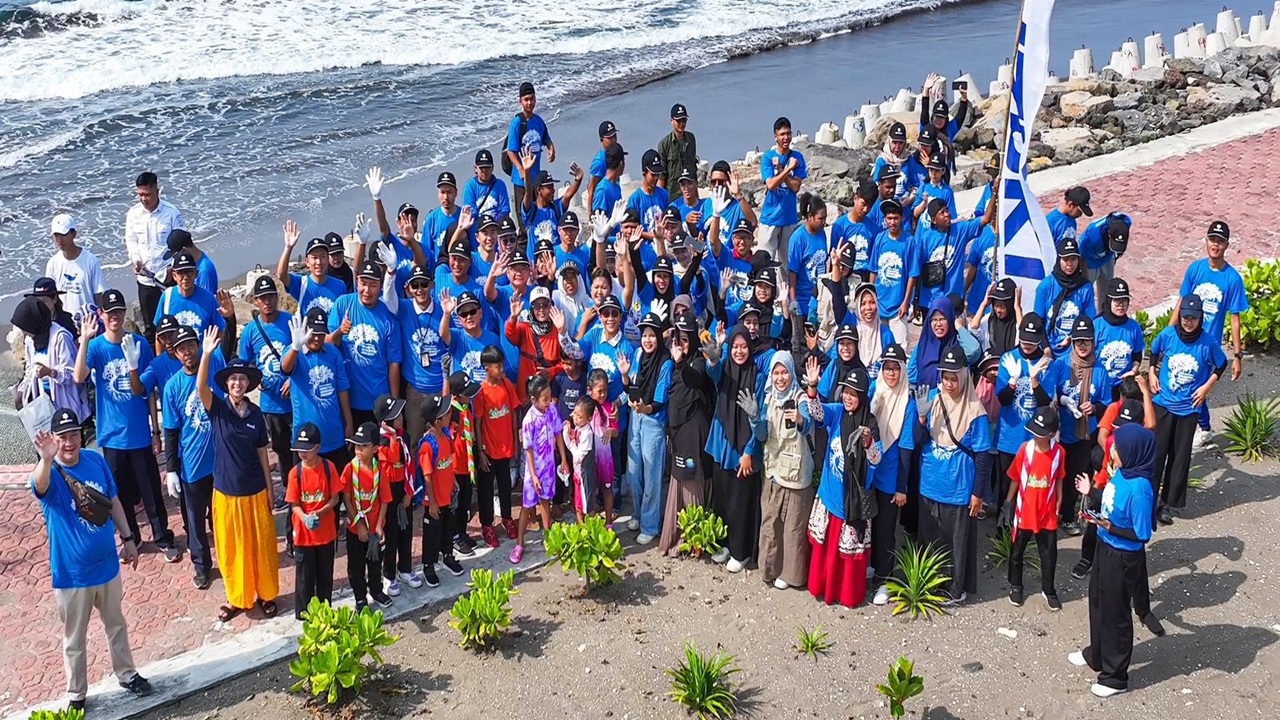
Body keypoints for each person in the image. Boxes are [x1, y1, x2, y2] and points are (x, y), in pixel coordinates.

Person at [30, 411, 152, 713]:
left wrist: (128, 538)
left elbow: (112, 501)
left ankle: (127, 674)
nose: (69, 442)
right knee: (74, 638)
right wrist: (46, 459)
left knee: (116, 625)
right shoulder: (51, 471)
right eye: (62, 437)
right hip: (72, 575)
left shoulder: (96, 461)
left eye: (73, 435)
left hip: (107, 566)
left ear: (81, 436)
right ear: (54, 440)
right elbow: (39, 486)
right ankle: (76, 692)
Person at [74, 289, 179, 562]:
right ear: (101, 315)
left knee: (151, 492)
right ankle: (131, 537)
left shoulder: (139, 344)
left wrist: (155, 430)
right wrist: (84, 339)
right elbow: (78, 376)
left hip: (140, 434)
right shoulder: (97, 347)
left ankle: (163, 537)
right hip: (110, 435)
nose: (115, 317)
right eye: (109, 313)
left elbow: (148, 391)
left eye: (119, 312)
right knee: (119, 493)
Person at [196, 329, 280, 621]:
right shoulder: (217, 409)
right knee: (232, 549)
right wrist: (206, 353)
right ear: (227, 383)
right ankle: (237, 598)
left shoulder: (256, 414)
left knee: (261, 548)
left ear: (249, 384)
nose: (237, 383)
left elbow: (262, 454)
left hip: (255, 491)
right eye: (233, 379)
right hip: (226, 492)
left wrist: (271, 490)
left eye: (242, 379)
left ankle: (266, 595)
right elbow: (201, 389)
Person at [1069, 424, 1156, 698]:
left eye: (1118, 447)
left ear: (1132, 452)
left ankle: (1115, 676)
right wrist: (1089, 493)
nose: (1113, 451)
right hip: (1104, 549)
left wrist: (1108, 527)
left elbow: (1142, 534)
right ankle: (1097, 654)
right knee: (1097, 602)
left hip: (1123, 557)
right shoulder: (1121, 473)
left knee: (1116, 614)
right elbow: (1110, 498)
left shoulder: (1141, 489)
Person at [900, 346, 992, 605]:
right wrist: (920, 417)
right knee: (930, 537)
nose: (950, 384)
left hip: (959, 489)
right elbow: (917, 441)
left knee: (956, 542)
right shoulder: (931, 399)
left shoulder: (975, 410)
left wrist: (978, 493)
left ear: (964, 376)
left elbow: (983, 456)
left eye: (955, 378)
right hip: (930, 485)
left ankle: (954, 590)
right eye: (945, 377)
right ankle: (929, 584)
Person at [1149, 294, 1226, 526]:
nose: (1188, 322)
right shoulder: (1169, 335)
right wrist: (1152, 371)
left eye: (1193, 318)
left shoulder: (1208, 342)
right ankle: (1148, 502)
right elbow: (1154, 350)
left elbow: (1220, 364)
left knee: (1179, 459)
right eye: (1185, 317)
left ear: (1200, 318)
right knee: (1156, 455)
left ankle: (1165, 504)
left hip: (1188, 410)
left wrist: (1206, 387)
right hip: (1163, 405)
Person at [1169, 219, 1248, 447]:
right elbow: (1181, 301)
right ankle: (1194, 423)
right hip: (1184, 335)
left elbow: (1235, 318)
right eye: (1212, 239)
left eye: (1220, 241)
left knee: (1197, 385)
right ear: (1206, 241)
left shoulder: (1232, 279)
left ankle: (1203, 427)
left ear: (1227, 245)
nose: (1215, 245)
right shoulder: (1195, 269)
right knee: (1183, 378)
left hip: (1207, 343)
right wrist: (1168, 331)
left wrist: (1237, 355)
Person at [807, 363, 879, 608]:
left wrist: (869, 443)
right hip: (831, 493)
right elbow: (816, 413)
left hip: (853, 501)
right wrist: (813, 388)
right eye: (846, 391)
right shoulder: (837, 412)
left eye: (854, 394)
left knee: (846, 557)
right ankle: (823, 589)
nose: (848, 397)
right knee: (825, 549)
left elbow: (876, 460)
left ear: (862, 397)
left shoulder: (870, 424)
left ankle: (847, 595)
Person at [658, 312, 714, 556]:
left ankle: (695, 540)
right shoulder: (674, 361)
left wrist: (680, 362)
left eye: (685, 338)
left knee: (693, 478)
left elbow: (695, 381)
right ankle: (675, 535)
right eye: (677, 338)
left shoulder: (698, 361)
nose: (680, 343)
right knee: (679, 477)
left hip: (695, 429)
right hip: (679, 428)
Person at [237, 274, 294, 508]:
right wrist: (255, 379)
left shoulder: (290, 322)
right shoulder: (251, 331)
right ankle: (289, 490)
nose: (267, 301)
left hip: (295, 400)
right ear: (255, 301)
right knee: (280, 449)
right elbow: (243, 363)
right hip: (270, 402)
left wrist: (293, 380)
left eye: (271, 296)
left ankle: (305, 487)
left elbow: (303, 353)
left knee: (300, 446)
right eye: (262, 298)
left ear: (277, 297)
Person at [617, 312, 673, 545]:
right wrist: (624, 377)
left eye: (652, 335)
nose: (648, 339)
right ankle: (638, 514)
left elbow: (660, 400)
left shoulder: (666, 361)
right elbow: (633, 386)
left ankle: (651, 525)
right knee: (633, 470)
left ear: (660, 337)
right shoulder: (640, 355)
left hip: (653, 421)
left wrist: (644, 409)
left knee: (651, 474)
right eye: (645, 335)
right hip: (636, 417)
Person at [1002, 406, 1065, 610]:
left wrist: (1059, 502)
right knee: (1016, 551)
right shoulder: (1025, 450)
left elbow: (1059, 480)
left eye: (1041, 434)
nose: (1037, 437)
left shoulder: (1059, 453)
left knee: (1049, 554)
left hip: (1047, 513)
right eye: (1034, 433)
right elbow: (1014, 477)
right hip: (1024, 511)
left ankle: (1049, 589)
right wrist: (1007, 503)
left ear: (1052, 433)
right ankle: (1016, 585)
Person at [1053, 317, 1110, 536]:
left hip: (1085, 434)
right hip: (1060, 432)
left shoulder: (1100, 371)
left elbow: (1105, 403)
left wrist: (1093, 408)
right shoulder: (1061, 364)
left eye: (1086, 341)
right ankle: (1053, 513)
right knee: (1057, 476)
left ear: (1093, 342)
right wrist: (1064, 400)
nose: (1082, 345)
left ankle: (1068, 516)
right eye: (1078, 341)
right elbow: (1051, 393)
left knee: (1076, 476)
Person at [868, 344, 911, 605]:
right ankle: (869, 566)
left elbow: (905, 449)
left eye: (896, 368)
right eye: (888, 367)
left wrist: (901, 487)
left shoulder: (907, 401)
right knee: (866, 523)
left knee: (885, 529)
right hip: (869, 472)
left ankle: (884, 579)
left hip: (890, 474)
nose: (892, 373)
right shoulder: (875, 391)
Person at [285, 422, 341, 620]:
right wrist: (305, 517)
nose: (303, 454)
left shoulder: (329, 468)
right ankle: (304, 616)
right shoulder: (295, 473)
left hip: (325, 534)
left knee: (325, 577)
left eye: (307, 450)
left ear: (317, 447)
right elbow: (294, 504)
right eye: (300, 450)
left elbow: (335, 498)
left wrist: (321, 512)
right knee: (304, 579)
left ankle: (325, 612)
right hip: (303, 537)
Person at [512, 376, 567, 563]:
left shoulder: (552, 410)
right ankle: (519, 543)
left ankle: (549, 539)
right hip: (533, 471)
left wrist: (564, 460)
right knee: (527, 506)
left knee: (546, 504)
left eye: (550, 397)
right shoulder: (528, 420)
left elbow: (558, 434)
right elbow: (528, 450)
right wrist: (534, 475)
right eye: (545, 399)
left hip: (549, 467)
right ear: (534, 400)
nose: (549, 401)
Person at [372, 394, 423, 595]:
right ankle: (389, 575)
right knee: (391, 535)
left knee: (406, 531)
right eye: (395, 416)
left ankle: (405, 569)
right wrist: (393, 437)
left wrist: (410, 492)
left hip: (404, 488)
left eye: (400, 414)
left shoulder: (405, 436)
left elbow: (409, 465)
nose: (400, 418)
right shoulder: (381, 442)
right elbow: (393, 458)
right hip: (388, 493)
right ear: (385, 423)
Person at [12, 295, 89, 426]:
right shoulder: (31, 340)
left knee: (69, 442)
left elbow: (73, 374)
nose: (25, 334)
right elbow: (30, 369)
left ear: (34, 323)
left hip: (65, 401)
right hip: (43, 401)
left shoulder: (61, 337)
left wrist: (50, 372)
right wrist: (21, 390)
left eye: (26, 329)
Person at [125, 171, 183, 343]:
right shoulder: (133, 214)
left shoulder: (171, 213)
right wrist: (135, 259)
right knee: (151, 327)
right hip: (146, 280)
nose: (144, 199)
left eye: (147, 194)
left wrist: (172, 269)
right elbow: (131, 240)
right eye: (140, 195)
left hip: (168, 278)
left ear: (157, 191)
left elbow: (180, 243)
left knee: (174, 321)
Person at [342, 421, 394, 610]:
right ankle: (360, 596)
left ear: (374, 448)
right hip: (355, 529)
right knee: (356, 566)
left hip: (374, 529)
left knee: (374, 562)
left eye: (364, 446)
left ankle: (376, 590)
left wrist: (379, 525)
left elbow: (385, 500)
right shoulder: (350, 469)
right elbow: (347, 498)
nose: (358, 450)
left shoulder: (379, 470)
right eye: (357, 445)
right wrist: (359, 523)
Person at [915, 193, 995, 312]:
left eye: (947, 210)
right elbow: (918, 270)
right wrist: (916, 299)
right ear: (933, 220)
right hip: (930, 300)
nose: (947, 214)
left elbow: (985, 219)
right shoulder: (926, 239)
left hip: (953, 299)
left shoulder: (960, 230)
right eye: (942, 213)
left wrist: (993, 194)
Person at [416, 395, 464, 588]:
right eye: (445, 413)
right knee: (432, 535)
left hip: (447, 496)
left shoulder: (445, 434)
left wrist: (453, 482)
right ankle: (429, 566)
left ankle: (448, 556)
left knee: (447, 530)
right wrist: (432, 502)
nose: (449, 414)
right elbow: (427, 476)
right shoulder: (428, 445)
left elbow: (448, 462)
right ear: (437, 420)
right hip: (434, 501)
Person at [473, 349, 520, 546]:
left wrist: (516, 442)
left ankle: (507, 519)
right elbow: (478, 422)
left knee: (505, 487)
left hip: (506, 448)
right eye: (497, 366)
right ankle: (487, 525)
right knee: (486, 490)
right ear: (487, 368)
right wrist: (481, 452)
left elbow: (514, 415)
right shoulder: (481, 392)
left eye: (501, 365)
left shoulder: (507, 385)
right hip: (489, 451)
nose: (501, 369)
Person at [866, 199, 917, 344]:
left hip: (898, 305)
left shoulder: (909, 241)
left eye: (895, 218)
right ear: (885, 219)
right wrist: (871, 296)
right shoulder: (879, 239)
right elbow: (873, 270)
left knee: (900, 346)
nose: (892, 222)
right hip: (880, 302)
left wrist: (906, 302)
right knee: (879, 345)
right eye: (889, 218)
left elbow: (912, 275)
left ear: (901, 218)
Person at [1034, 238, 1096, 356]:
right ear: (1058, 260)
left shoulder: (1085, 287)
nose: (1070, 264)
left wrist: (1074, 339)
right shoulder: (1045, 286)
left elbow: (1089, 322)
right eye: (1065, 259)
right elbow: (1038, 322)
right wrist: (1046, 349)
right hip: (1047, 349)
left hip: (1075, 350)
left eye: (1073, 259)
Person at [505, 82, 555, 224]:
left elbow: (546, 138)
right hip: (520, 180)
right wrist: (521, 169)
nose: (529, 103)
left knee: (536, 216)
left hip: (536, 180)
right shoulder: (517, 123)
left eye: (532, 99)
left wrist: (551, 148)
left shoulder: (538, 121)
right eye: (526, 99)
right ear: (520, 101)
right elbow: (510, 151)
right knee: (523, 220)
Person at [758, 117, 806, 260]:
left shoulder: (797, 157)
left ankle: (786, 284)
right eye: (782, 134)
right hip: (770, 218)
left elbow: (795, 187)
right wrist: (786, 169)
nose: (786, 138)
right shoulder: (768, 157)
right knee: (765, 260)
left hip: (789, 218)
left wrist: (781, 171)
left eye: (788, 134)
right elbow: (771, 185)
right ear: (775, 137)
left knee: (787, 262)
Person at [155, 249, 230, 338]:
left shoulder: (209, 299)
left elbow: (219, 331)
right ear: (174, 276)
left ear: (195, 274)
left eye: (189, 272)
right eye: (181, 273)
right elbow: (159, 333)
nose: (186, 277)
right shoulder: (167, 297)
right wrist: (160, 352)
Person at [277, 225, 349, 315]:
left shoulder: (340, 285)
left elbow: (344, 315)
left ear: (327, 259)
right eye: (314, 257)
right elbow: (281, 275)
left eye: (322, 257)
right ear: (307, 262)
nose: (318, 262)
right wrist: (288, 248)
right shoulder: (301, 284)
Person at [47, 213, 107, 320]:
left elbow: (99, 295)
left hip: (88, 320)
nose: (59, 239)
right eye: (56, 235)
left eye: (63, 234)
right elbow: (50, 297)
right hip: (64, 323)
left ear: (73, 234)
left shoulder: (90, 261)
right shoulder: (53, 263)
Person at [446, 372, 480, 557]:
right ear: (457, 395)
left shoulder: (466, 409)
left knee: (465, 503)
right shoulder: (452, 412)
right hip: (455, 468)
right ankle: (454, 537)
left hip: (467, 466)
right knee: (456, 506)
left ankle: (463, 533)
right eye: (467, 393)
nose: (471, 396)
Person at [1093, 278, 1145, 396]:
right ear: (1109, 301)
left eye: (1124, 301)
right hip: (1100, 386)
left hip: (1123, 387)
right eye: (1117, 301)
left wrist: (1133, 371)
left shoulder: (1134, 327)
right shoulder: (1097, 325)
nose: (1121, 305)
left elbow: (1137, 355)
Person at [786, 193, 830, 319]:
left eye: (825, 218)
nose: (824, 222)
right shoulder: (798, 238)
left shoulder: (822, 234)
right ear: (810, 217)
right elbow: (792, 272)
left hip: (819, 298)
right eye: (820, 219)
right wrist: (793, 300)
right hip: (802, 300)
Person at [1077, 213, 1132, 312]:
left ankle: (1104, 314)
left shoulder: (1125, 223)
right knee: (1086, 290)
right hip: (1090, 261)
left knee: (1107, 289)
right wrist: (1085, 280)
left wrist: (1115, 257)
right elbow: (1082, 258)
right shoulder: (1091, 237)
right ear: (1109, 234)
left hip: (1107, 257)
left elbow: (1120, 247)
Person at [562, 396, 599, 524]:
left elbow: (578, 454)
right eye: (575, 415)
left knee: (588, 504)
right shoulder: (579, 428)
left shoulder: (587, 433)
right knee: (578, 504)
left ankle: (592, 529)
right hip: (578, 474)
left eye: (580, 416)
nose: (576, 419)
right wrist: (567, 434)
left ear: (589, 418)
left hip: (585, 475)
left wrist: (569, 439)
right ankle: (581, 530)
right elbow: (573, 445)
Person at [969, 278, 1021, 357]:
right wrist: (984, 304)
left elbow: (1023, 332)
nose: (998, 310)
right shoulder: (989, 319)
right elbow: (973, 327)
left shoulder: (1017, 321)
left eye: (1002, 306)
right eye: (996, 305)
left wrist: (1017, 307)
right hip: (990, 364)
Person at [461, 150, 511, 227]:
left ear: (492, 167)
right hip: (478, 228)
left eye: (487, 167)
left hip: (496, 227)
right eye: (481, 168)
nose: (484, 171)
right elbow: (471, 213)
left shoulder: (500, 185)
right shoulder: (470, 186)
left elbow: (505, 210)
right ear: (475, 168)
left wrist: (492, 223)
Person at [161, 229, 218, 296]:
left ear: (184, 249)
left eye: (176, 255)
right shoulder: (195, 262)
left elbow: (205, 303)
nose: (175, 258)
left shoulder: (204, 271)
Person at [656, 103, 697, 188]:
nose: (682, 123)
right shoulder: (664, 144)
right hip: (673, 194)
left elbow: (693, 167)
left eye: (684, 120)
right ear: (671, 121)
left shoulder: (691, 139)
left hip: (689, 191)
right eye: (678, 121)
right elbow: (662, 176)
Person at [585, 120, 620, 215]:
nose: (613, 140)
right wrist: (589, 214)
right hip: (601, 201)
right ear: (601, 140)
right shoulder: (599, 162)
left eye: (614, 136)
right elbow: (591, 189)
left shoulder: (616, 153)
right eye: (609, 138)